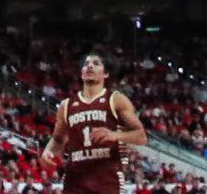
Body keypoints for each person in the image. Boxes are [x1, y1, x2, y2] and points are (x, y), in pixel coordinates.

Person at [38, 53, 147, 194]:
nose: (89, 66)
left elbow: (141, 136)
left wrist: (114, 135)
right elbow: (58, 139)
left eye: (96, 63)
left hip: (107, 179)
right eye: (86, 63)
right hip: (75, 180)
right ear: (81, 72)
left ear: (106, 73)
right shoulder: (66, 105)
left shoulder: (116, 100)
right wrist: (48, 152)